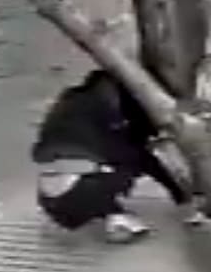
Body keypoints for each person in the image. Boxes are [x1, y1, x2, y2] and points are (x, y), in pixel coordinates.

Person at [31, 71, 192, 243]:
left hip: (48, 197)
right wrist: (180, 193)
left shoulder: (70, 104)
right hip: (81, 191)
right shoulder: (106, 116)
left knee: (103, 165)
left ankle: (82, 214)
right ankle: (116, 218)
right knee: (126, 165)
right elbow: (140, 158)